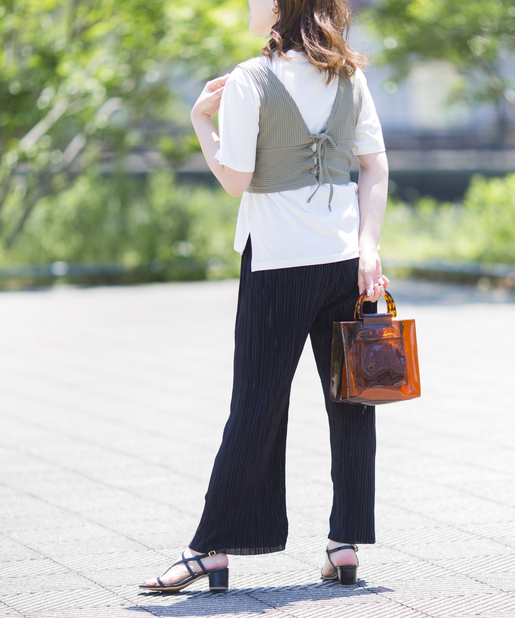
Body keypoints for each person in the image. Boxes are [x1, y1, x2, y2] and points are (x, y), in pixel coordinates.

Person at [140, 0, 389, 593]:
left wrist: (201, 121)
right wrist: (369, 249)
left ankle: (210, 548)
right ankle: (345, 543)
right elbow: (374, 167)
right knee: (352, 401)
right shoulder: (348, 75)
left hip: (277, 264)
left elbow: (235, 180)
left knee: (256, 405)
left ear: (280, 5)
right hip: (343, 265)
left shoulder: (251, 79)